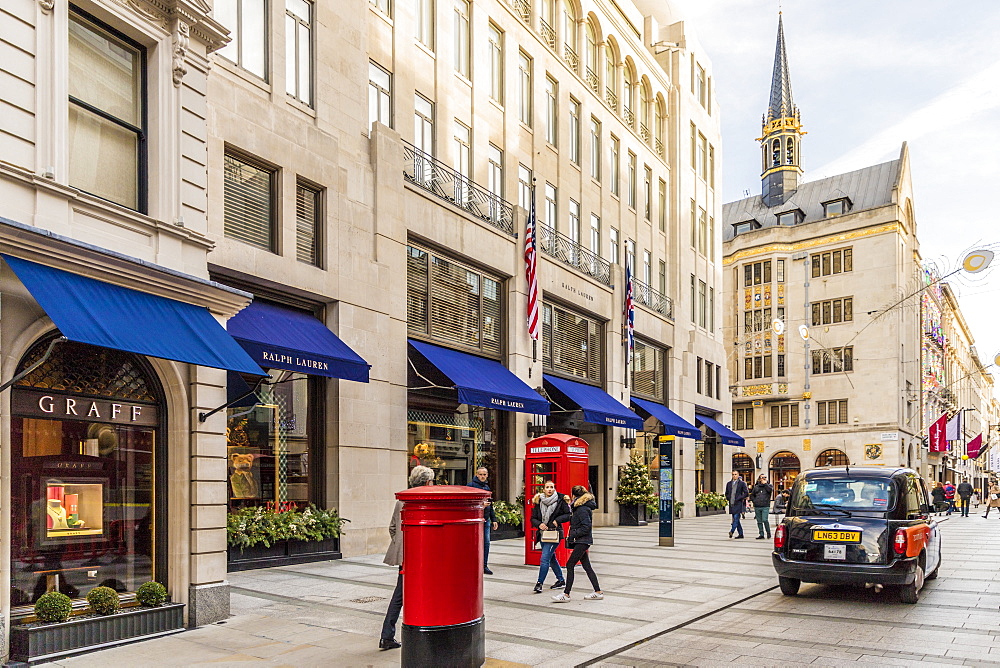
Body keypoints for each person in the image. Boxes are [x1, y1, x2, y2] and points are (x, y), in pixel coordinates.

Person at [379, 465, 434, 651]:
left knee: (399, 595)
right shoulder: (428, 499)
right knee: (403, 596)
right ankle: (389, 636)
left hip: (405, 557)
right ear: (427, 482)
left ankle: (387, 635)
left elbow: (392, 528)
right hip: (422, 557)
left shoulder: (401, 500)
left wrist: (401, 547)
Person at [552, 485, 603, 602]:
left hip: (582, 541)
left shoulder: (582, 509)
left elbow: (586, 527)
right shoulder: (580, 507)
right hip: (582, 540)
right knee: (587, 566)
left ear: (574, 495)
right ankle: (598, 591)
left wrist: (573, 534)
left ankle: (566, 594)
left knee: (570, 564)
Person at [530, 480, 572, 593]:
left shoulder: (560, 500)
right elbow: (533, 518)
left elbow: (568, 514)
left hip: (554, 534)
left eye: (551, 487)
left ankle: (539, 583)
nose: (549, 489)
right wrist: (539, 524)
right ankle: (561, 580)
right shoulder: (539, 501)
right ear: (543, 489)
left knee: (544, 559)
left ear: (554, 489)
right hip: (542, 534)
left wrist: (557, 521)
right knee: (551, 557)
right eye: (547, 487)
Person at [468, 467, 499, 574]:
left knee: (486, 543)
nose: (482, 476)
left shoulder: (486, 487)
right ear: (476, 475)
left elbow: (491, 505)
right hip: (474, 520)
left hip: (486, 520)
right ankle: (473, 564)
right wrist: (481, 505)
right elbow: (468, 504)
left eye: (484, 474)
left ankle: (484, 565)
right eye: (480, 474)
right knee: (473, 544)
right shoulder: (470, 486)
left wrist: (494, 519)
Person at [725, 471, 749, 539]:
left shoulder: (742, 483)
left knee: (736, 518)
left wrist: (740, 498)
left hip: (738, 503)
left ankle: (732, 531)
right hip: (732, 503)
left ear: (738, 475)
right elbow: (726, 493)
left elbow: (746, 493)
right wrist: (728, 498)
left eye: (735, 474)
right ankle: (741, 534)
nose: (734, 476)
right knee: (736, 520)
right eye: (733, 474)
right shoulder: (729, 484)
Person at [750, 474, 774, 539]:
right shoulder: (756, 487)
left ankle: (768, 532)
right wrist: (754, 501)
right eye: (762, 478)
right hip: (757, 506)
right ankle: (761, 534)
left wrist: (765, 484)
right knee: (759, 521)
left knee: (765, 519)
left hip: (765, 506)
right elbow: (752, 495)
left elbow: (770, 490)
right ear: (759, 479)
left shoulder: (769, 486)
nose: (764, 479)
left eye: (765, 477)